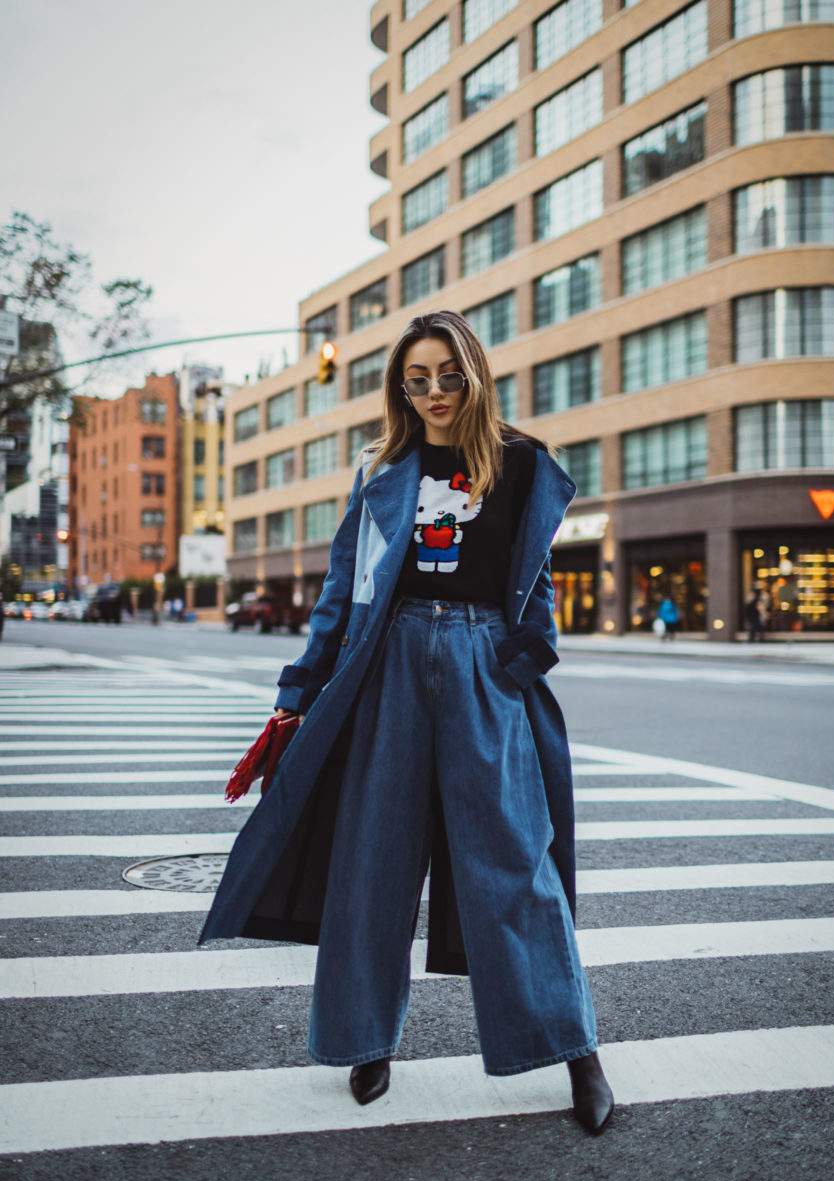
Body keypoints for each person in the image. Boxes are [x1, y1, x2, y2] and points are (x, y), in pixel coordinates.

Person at [199, 311, 613, 1135]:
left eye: (448, 376)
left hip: (482, 664)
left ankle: (577, 1051)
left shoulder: (523, 464)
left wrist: (523, 663)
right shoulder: (383, 469)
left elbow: (538, 581)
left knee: (516, 864)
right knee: (373, 860)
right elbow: (341, 585)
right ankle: (367, 1043)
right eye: (416, 379)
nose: (433, 393)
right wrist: (298, 688)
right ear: (401, 387)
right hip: (388, 663)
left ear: (475, 376)